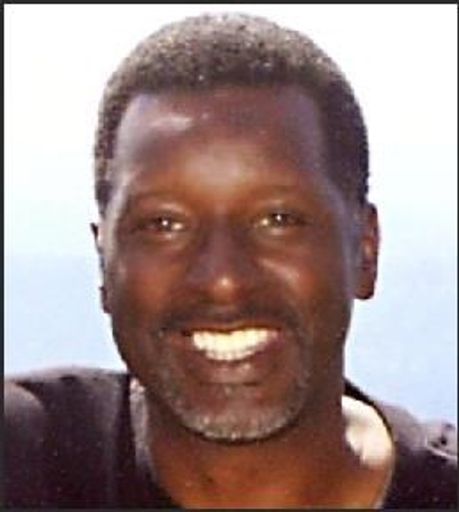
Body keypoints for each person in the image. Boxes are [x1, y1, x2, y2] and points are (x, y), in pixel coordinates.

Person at [4, 12, 457, 509]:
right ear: (103, 262)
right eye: (163, 224)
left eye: (278, 220)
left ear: (365, 251)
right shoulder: (24, 463)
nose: (223, 279)